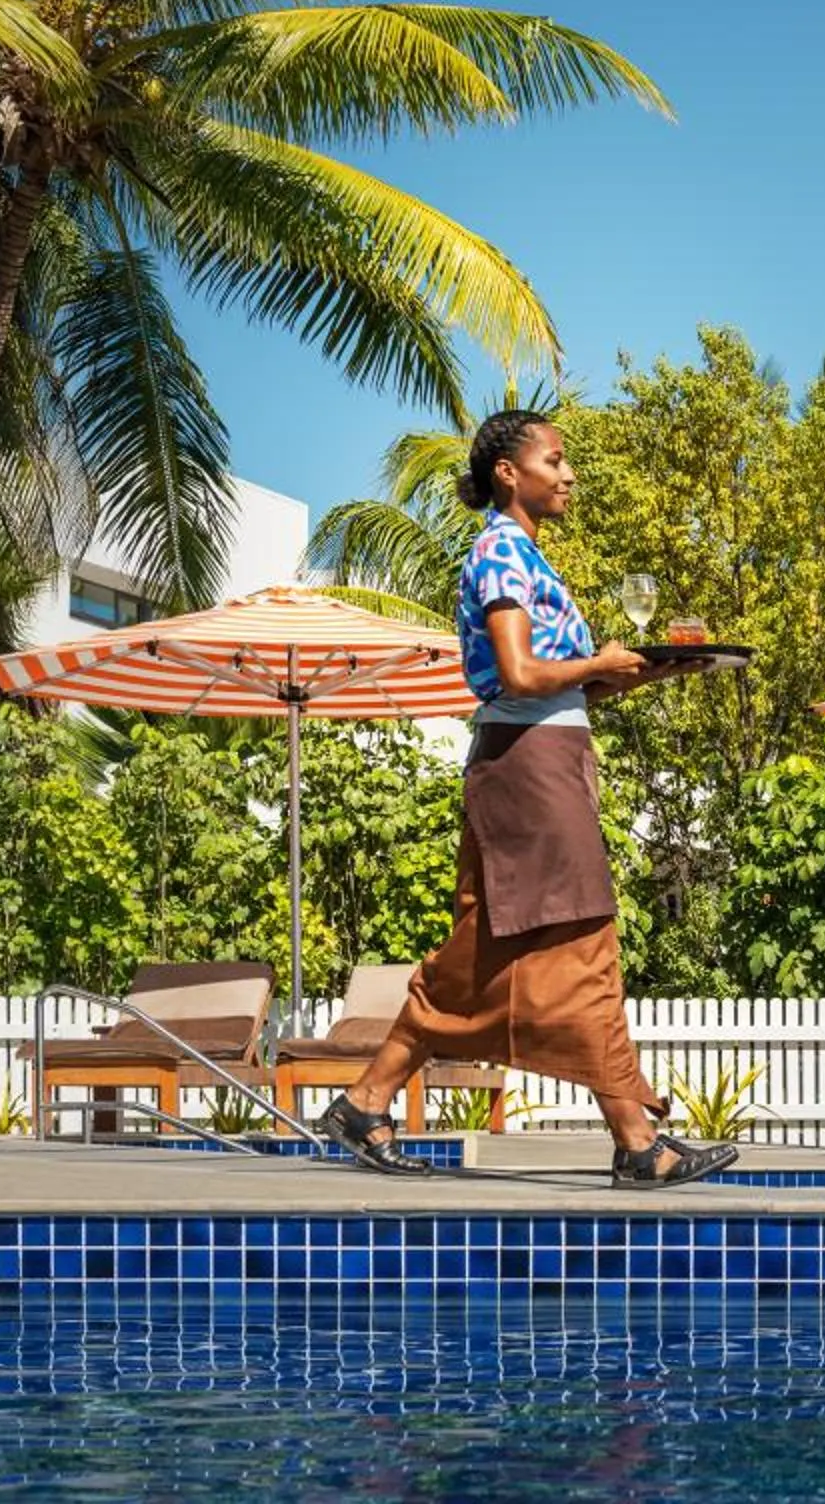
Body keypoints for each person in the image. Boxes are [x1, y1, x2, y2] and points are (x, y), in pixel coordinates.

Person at [316, 408, 735, 1185]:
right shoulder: (501, 551)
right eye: (555, 460)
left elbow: (562, 692)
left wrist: (640, 673)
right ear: (509, 472)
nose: (567, 473)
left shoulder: (530, 560)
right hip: (529, 767)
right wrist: (598, 661)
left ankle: (366, 1102)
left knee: (483, 956)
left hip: (547, 756)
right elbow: (517, 676)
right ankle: (637, 1141)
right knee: (585, 943)